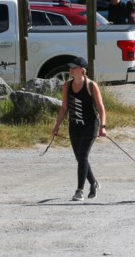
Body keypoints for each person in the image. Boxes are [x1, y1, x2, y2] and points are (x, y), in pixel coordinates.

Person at [52, 56, 106, 201]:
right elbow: (64, 107)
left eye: (74, 67)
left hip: (90, 126)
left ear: (82, 70)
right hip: (74, 126)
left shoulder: (91, 86)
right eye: (70, 67)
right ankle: (93, 182)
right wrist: (57, 126)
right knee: (80, 158)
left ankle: (79, 190)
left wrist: (103, 126)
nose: (70, 70)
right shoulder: (67, 86)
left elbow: (101, 108)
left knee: (82, 156)